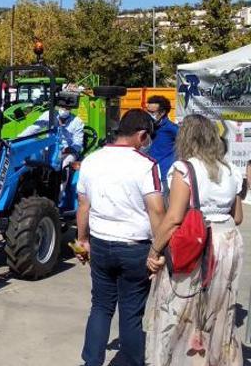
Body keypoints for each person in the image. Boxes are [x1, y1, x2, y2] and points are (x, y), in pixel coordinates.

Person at [145, 114, 245, 366]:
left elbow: (174, 218)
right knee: (218, 308)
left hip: (197, 243)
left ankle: (182, 359)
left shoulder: (185, 168)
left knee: (180, 307)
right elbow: (239, 216)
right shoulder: (230, 168)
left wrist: (154, 250)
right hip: (228, 240)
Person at [76, 109, 165, 366]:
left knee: (101, 307)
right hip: (135, 248)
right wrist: (157, 252)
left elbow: (83, 205)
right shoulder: (146, 165)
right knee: (131, 312)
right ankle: (131, 362)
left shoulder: (92, 160)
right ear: (141, 135)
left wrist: (82, 240)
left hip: (101, 244)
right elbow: (157, 210)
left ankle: (91, 361)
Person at [21, 98, 85, 168]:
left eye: (67, 108)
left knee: (65, 164)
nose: (64, 109)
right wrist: (19, 138)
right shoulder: (49, 115)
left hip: (68, 151)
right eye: (62, 106)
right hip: (49, 147)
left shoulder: (77, 121)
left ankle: (63, 178)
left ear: (71, 108)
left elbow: (78, 143)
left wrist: (68, 150)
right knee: (31, 159)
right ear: (58, 105)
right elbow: (33, 129)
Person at [146, 95, 178, 194]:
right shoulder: (147, 126)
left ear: (162, 112)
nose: (149, 115)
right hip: (148, 173)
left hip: (164, 176)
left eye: (152, 112)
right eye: (148, 111)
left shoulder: (171, 128)